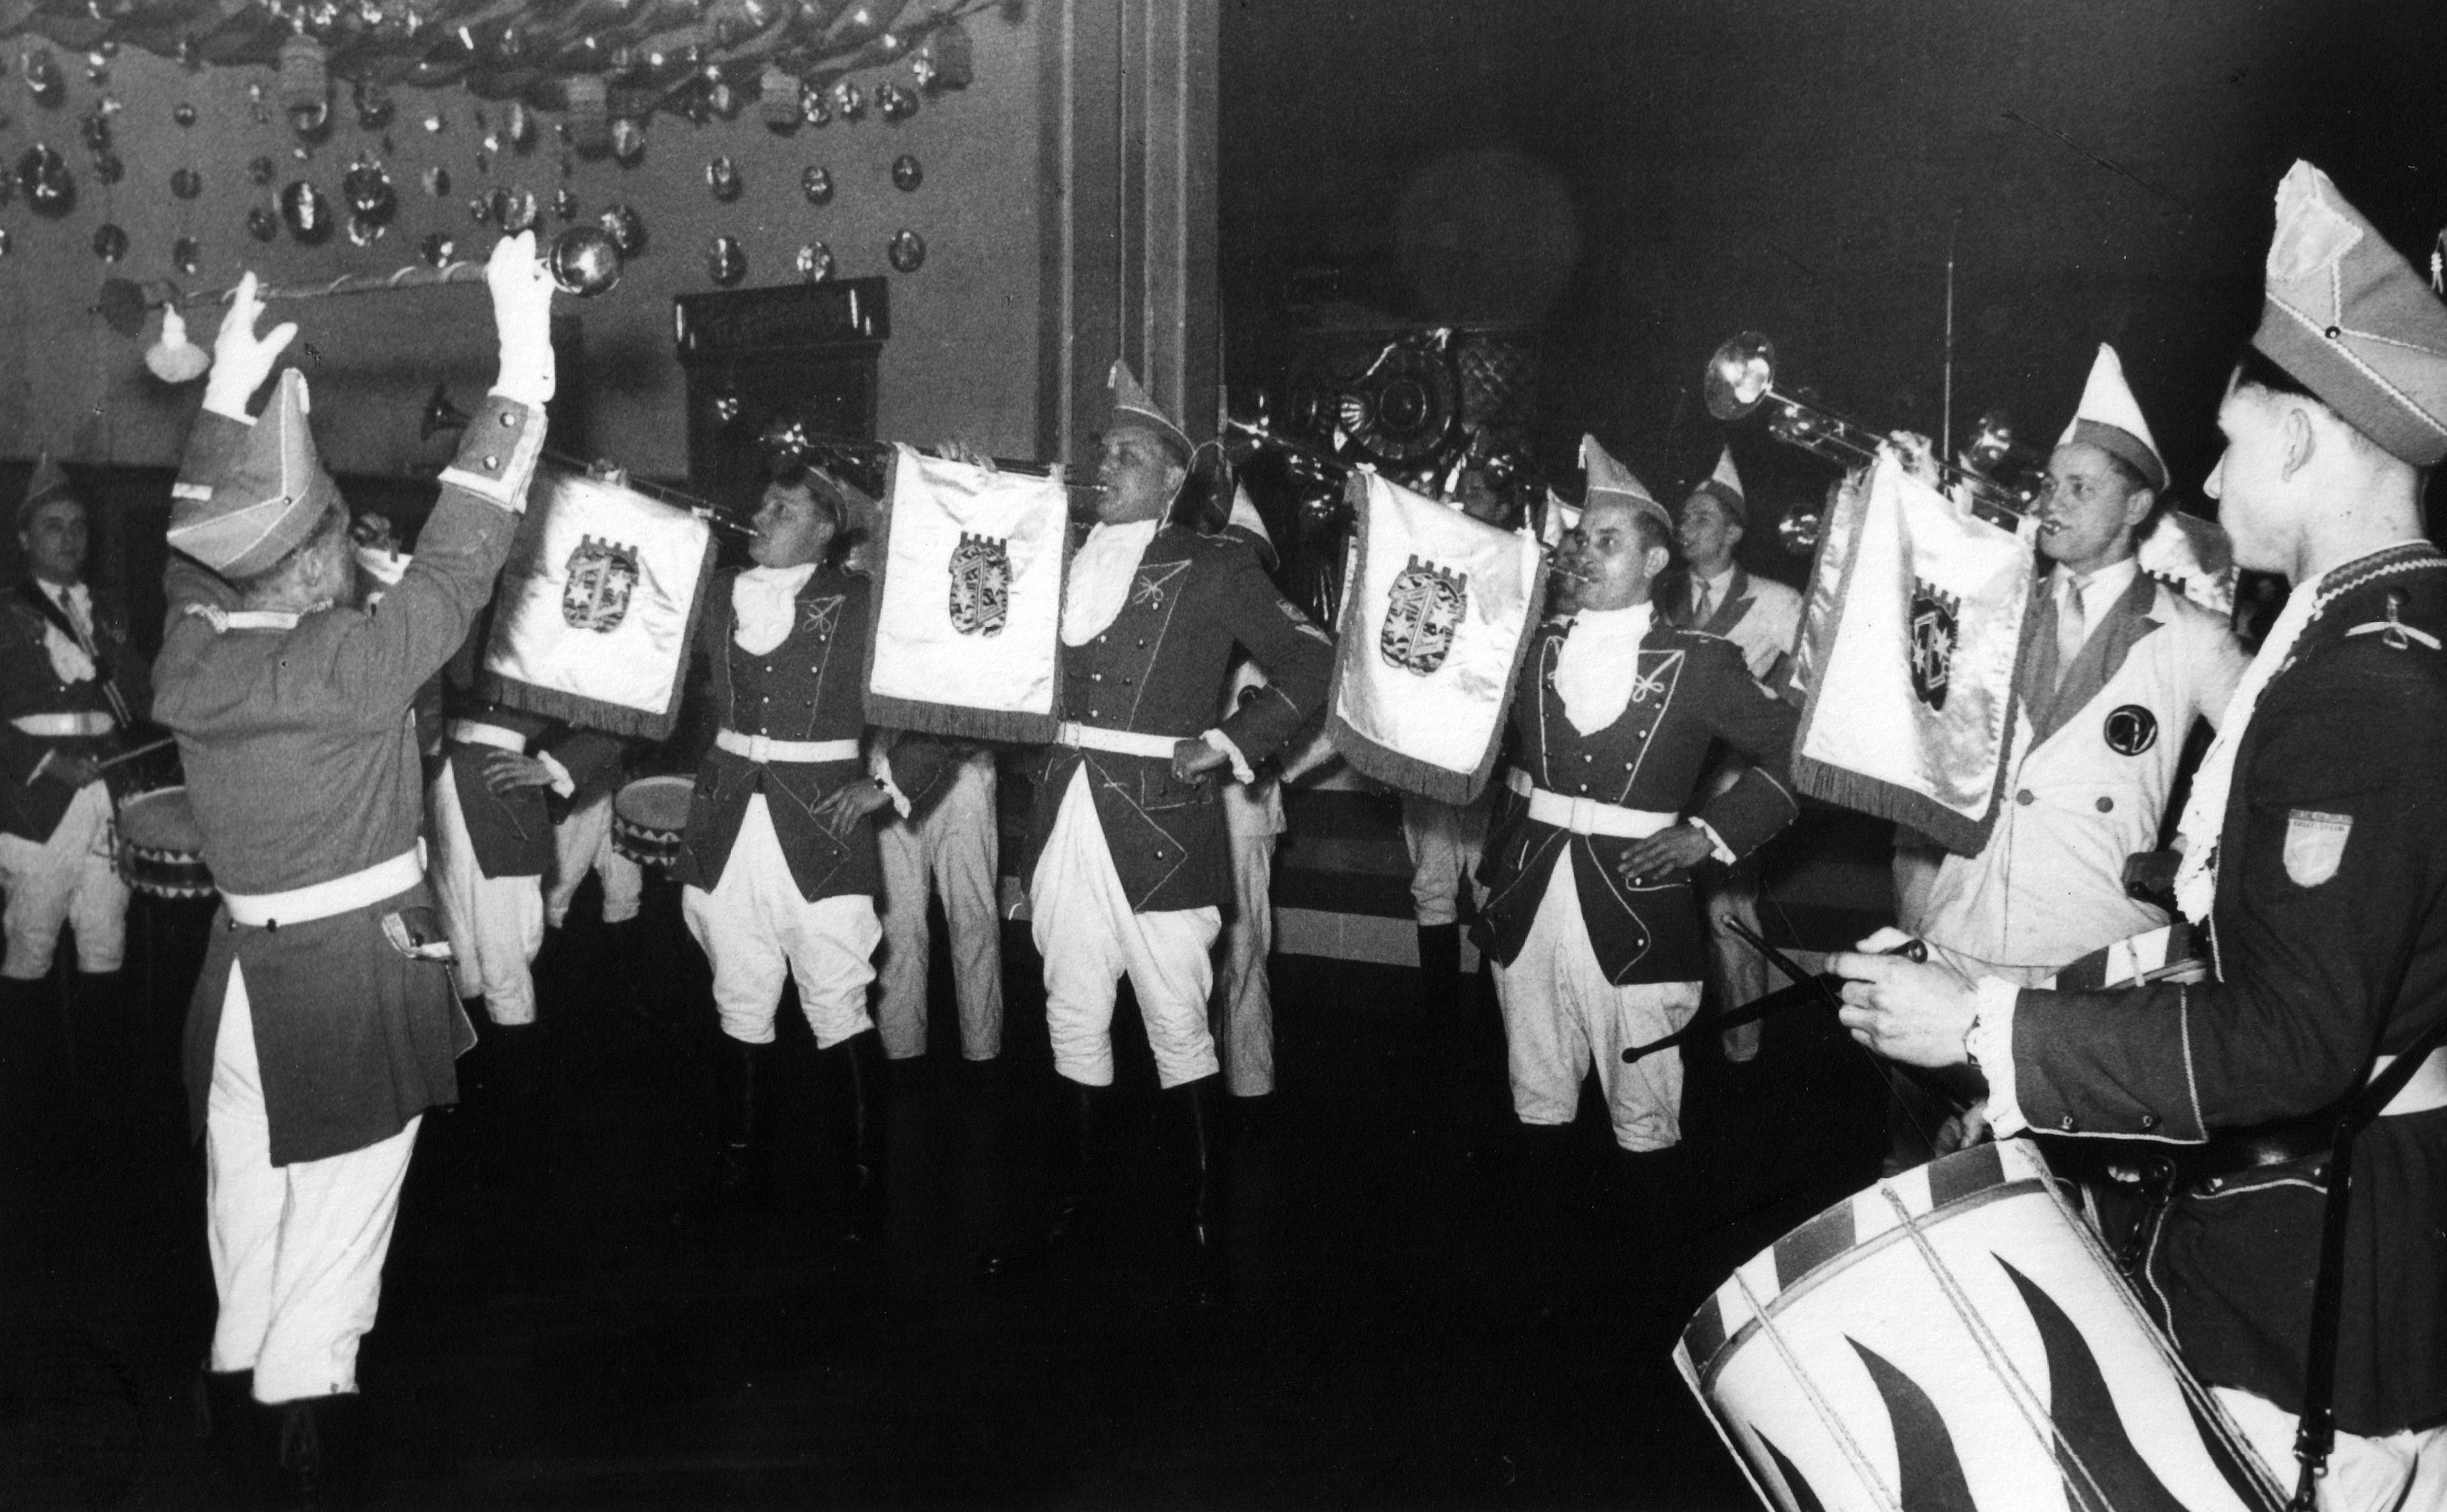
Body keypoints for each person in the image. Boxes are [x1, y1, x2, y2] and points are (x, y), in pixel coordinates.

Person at [1835, 162, 2447, 1511]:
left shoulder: (2357, 685)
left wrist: (1987, 1039)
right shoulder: (2381, 639)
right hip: (2352, 1219)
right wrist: (2002, 993)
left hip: (2322, 1266)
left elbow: (2294, 1032)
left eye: (2230, 444)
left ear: (2301, 440)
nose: (2212, 479)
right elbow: (2248, 935)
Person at [157, 235, 555, 1501]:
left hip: (235, 985)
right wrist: (528, 357)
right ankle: (300, 1462)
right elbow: (465, 546)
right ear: (323, 555)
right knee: (334, 1262)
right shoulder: (359, 662)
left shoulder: (190, 661)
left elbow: (192, 554)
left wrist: (226, 402)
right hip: (344, 981)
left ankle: (229, 1450)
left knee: (249, 1231)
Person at [980, 363, 1333, 1303]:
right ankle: (1075, 1205)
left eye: (1130, 454)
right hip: (1064, 817)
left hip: (1162, 826)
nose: (1107, 465)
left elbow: (1312, 658)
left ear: (1176, 479)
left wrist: (1229, 741)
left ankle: (1202, 1215)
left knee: (1179, 1022)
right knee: (1069, 1012)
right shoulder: (1059, 558)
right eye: (1103, 451)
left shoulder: (1215, 563)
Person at [1473, 436, 1800, 1195]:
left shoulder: (1699, 660)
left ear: (1655, 563)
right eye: (1582, 539)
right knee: (1537, 1100)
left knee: (1645, 1115)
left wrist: (1711, 834)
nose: (1585, 554)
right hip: (1527, 899)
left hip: (1638, 910)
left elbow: (1797, 752)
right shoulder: (1532, 646)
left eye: (1607, 542)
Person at [1892, 346, 2247, 995]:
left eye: (2081, 487)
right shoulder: (1996, 601)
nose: (2053, 501)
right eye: (2052, 483)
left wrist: (2198, 861)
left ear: (2136, 507)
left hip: (2092, 945)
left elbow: (2270, 763)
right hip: (1959, 928)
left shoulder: (2195, 636)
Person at [675, 467, 939, 1243]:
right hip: (724, 826)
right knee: (739, 998)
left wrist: (888, 785)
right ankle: (738, 1172)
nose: (758, 513)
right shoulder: (717, 589)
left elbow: (951, 698)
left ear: (826, 527)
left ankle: (862, 1184)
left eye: (781, 507)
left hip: (819, 826)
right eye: (762, 501)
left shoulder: (864, 603)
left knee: (837, 1003)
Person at [1660, 447, 1802, 1061]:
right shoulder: (1659, 598)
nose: (1686, 530)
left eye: (1701, 519)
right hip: (1659, 779)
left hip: (1727, 785)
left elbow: (1803, 690)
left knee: (1728, 914)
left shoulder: (1776, 600)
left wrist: (1759, 714)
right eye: (1684, 518)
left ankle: (1743, 1049)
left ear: (1734, 533)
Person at [0, 457, 148, 997]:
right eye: (53, 526)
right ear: (24, 538)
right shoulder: (3, 613)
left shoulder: (106, 613)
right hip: (35, 799)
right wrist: (46, 761)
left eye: (79, 526)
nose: (70, 538)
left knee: (107, 943)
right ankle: (25, 1082)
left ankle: (101, 1081)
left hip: (109, 793)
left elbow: (141, 699)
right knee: (30, 948)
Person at [1402, 452, 1518, 1011]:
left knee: (1491, 883)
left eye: (1480, 492)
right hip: (1429, 748)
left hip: (1487, 752)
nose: (1468, 500)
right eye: (1463, 489)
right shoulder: (1434, 561)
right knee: (1432, 880)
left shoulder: (1521, 566)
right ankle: (1440, 1023)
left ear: (1501, 504)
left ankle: (1495, 1024)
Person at [872, 740, 1003, 1070]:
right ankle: (901, 1055)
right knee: (897, 923)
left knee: (972, 919)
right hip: (889, 764)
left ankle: (983, 1054)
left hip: (963, 762)